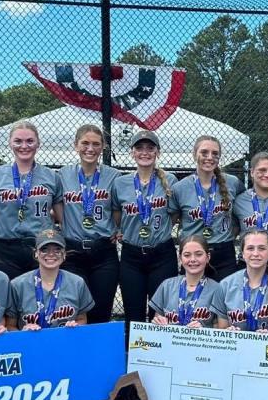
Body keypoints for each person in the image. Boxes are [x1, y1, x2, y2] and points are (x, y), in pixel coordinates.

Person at [112, 129, 178, 325]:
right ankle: (133, 355)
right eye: (139, 148)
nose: (145, 152)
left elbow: (174, 214)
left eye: (150, 148)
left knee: (160, 314)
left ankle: (157, 356)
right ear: (132, 152)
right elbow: (117, 215)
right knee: (134, 313)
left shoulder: (170, 180)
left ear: (158, 152)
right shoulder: (121, 183)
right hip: (132, 255)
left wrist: (159, 229)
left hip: (162, 253)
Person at [57, 124, 121, 324]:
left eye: (96, 144)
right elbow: (55, 205)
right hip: (73, 252)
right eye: (85, 143)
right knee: (73, 313)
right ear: (75, 145)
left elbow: (119, 209)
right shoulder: (62, 175)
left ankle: (99, 355)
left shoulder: (114, 176)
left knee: (101, 311)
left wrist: (118, 230)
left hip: (103, 251)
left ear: (103, 147)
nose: (90, 149)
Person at [0, 121, 63, 279]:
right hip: (5, 248)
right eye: (18, 141)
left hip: (42, 246)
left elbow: (62, 218)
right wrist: (7, 218)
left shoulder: (51, 176)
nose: (24, 146)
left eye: (30, 141)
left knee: (39, 298)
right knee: (7, 298)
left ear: (38, 143)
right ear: (10, 143)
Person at [172, 135, 241, 280]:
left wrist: (230, 234)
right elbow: (173, 220)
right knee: (193, 299)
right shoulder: (180, 188)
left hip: (224, 253)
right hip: (194, 252)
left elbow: (240, 214)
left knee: (223, 300)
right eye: (204, 152)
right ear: (194, 154)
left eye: (215, 154)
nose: (210, 157)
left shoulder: (233, 183)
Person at [9, 228, 94, 329]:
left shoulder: (77, 283)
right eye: (44, 249)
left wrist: (75, 326)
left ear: (64, 254)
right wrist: (23, 331)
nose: (51, 254)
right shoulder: (18, 285)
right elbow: (10, 325)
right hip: (29, 343)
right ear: (36, 253)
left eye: (57, 250)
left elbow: (82, 319)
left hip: (64, 342)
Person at [213, 228, 268, 333]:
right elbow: (221, 327)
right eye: (250, 248)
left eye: (262, 248)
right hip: (236, 347)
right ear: (242, 253)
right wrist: (228, 332)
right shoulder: (225, 285)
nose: (255, 253)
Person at [149, 235, 221, 327]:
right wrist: (159, 322)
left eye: (198, 254)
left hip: (200, 341)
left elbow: (220, 328)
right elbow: (156, 320)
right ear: (180, 259)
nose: (193, 259)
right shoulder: (167, 285)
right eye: (187, 255)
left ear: (207, 257)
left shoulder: (217, 290)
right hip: (170, 340)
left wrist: (205, 330)